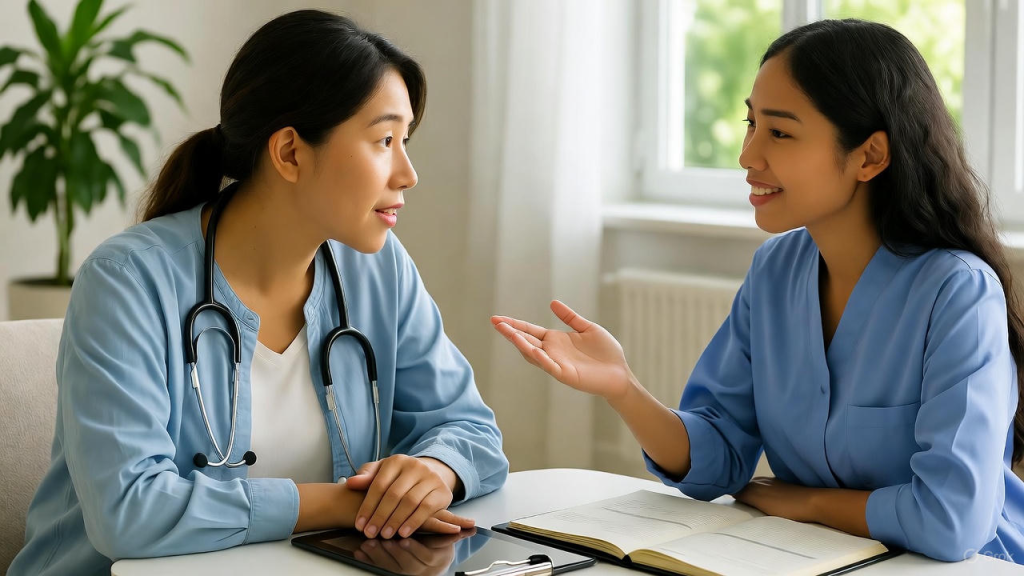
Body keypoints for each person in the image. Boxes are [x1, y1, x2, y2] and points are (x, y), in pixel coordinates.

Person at [493, 19, 1024, 564]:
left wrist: (807, 502)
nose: (748, 156)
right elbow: (719, 457)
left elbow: (952, 519)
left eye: (780, 132)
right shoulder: (775, 272)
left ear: (869, 156)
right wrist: (621, 387)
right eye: (751, 125)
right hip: (807, 559)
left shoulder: (958, 292)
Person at [10, 10, 507, 576]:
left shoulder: (378, 269)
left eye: (406, 140)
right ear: (291, 152)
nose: (408, 172)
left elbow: (472, 432)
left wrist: (436, 473)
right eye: (385, 140)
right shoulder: (127, 279)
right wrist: (344, 502)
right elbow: (129, 511)